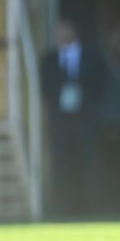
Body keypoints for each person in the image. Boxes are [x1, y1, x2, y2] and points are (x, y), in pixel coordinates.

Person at [40, 19, 104, 220]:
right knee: (61, 167)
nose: (60, 35)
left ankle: (91, 210)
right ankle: (61, 210)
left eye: (64, 30)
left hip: (85, 121)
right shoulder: (49, 59)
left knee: (88, 166)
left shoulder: (91, 58)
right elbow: (46, 89)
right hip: (60, 122)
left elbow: (98, 86)